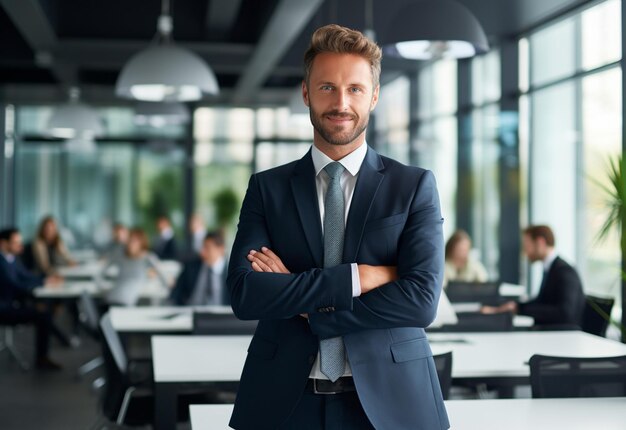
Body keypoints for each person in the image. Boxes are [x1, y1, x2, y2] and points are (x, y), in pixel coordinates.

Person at [227, 25, 448, 430]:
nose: (341, 102)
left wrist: (312, 308)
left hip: (393, 402)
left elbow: (420, 300)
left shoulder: (413, 186)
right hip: (282, 403)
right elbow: (246, 294)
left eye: (355, 89)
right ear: (307, 93)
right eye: (327, 87)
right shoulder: (268, 188)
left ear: (375, 96)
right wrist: (356, 278)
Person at [481, 225, 585, 327]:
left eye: (527, 245)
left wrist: (519, 309)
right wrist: (517, 306)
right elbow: (542, 302)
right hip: (550, 331)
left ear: (540, 242)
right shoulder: (551, 268)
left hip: (561, 335)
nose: (525, 252)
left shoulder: (564, 271)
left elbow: (565, 312)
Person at [0, 228, 63, 370]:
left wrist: (46, 279)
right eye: (16, 243)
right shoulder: (1, 262)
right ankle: (42, 359)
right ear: (3, 244)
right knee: (43, 315)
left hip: (14, 302)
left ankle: (57, 346)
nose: (20, 246)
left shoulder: (12, 258)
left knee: (45, 309)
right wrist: (42, 283)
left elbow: (26, 276)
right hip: (4, 308)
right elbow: (14, 285)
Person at [99, 228, 169, 307]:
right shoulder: (120, 256)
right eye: (130, 240)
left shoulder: (147, 257)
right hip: (111, 298)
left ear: (141, 243)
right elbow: (101, 273)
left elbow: (163, 277)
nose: (131, 243)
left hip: (129, 302)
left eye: (135, 241)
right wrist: (102, 288)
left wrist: (168, 290)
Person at [170, 231, 229, 306]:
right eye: (203, 247)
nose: (202, 252)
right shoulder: (191, 268)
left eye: (207, 248)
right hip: (189, 313)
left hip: (222, 315)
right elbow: (175, 294)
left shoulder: (231, 272)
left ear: (221, 249)